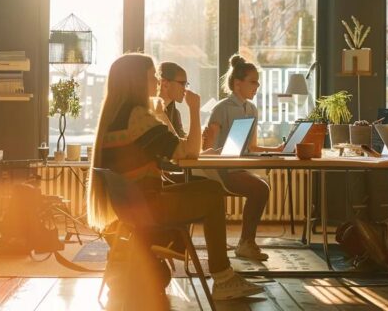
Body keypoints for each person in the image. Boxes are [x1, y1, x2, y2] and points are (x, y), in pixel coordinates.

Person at [85, 53, 264, 301]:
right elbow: (189, 151)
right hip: (148, 207)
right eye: (152, 78)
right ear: (135, 81)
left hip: (131, 208)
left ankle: (221, 274)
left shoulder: (115, 117)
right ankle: (223, 278)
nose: (157, 84)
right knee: (212, 192)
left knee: (206, 188)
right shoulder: (137, 116)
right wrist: (193, 108)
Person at [202, 55, 277, 261]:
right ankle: (246, 243)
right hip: (221, 170)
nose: (258, 85)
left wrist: (277, 149)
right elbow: (207, 149)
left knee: (261, 187)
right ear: (237, 84)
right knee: (261, 188)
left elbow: (251, 146)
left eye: (258, 81)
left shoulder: (252, 109)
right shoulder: (221, 109)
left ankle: (246, 243)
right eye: (253, 81)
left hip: (238, 167)